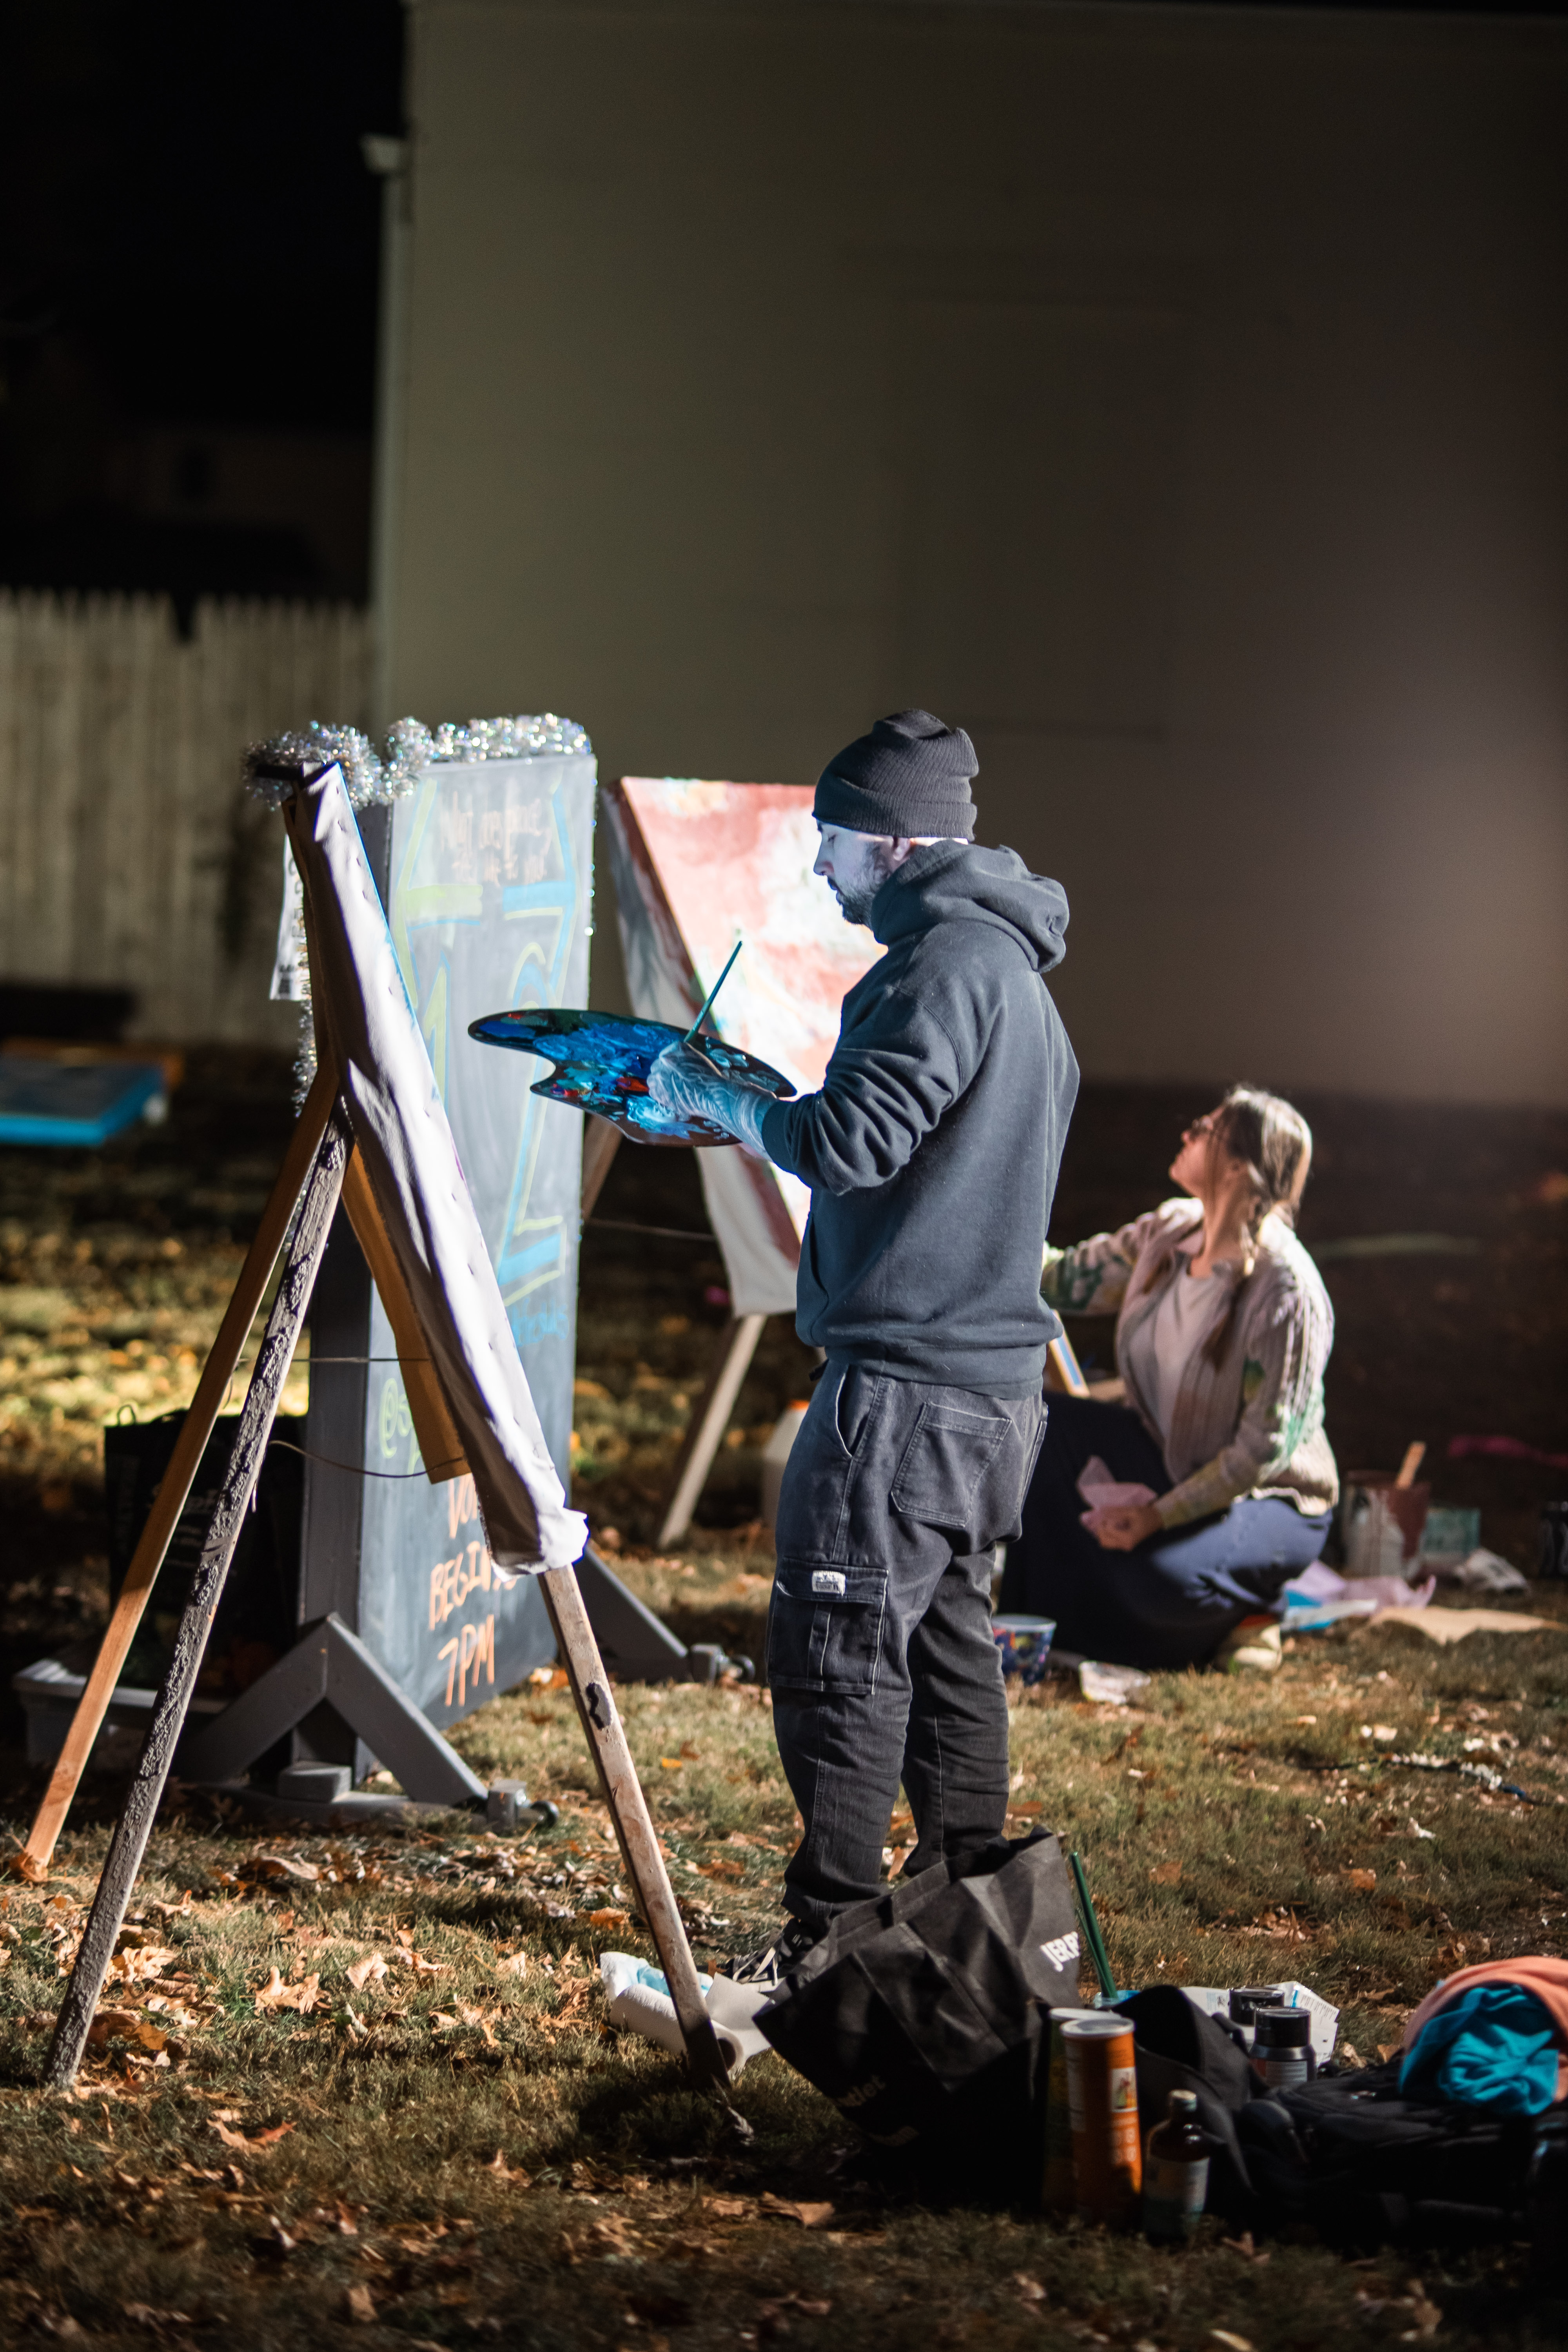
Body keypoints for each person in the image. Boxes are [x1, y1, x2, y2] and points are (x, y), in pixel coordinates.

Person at [647, 709, 1079, 1984]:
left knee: (839, 1656)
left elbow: (850, 1143)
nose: (818, 868)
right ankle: (966, 1929)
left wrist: (727, 1104)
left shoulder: (942, 969)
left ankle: (827, 1941)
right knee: (949, 1660)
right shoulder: (1013, 978)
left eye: (830, 841)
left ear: (891, 841)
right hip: (993, 1399)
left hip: (905, 1395)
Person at [997, 1086, 1337, 1671]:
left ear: (1237, 1165)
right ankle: (1043, 1631)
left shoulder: (1287, 1294)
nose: (1186, 1134)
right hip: (1167, 1453)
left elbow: (1261, 1452)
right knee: (1042, 1425)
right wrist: (974, 1221)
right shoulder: (1168, 1234)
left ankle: (1254, 1608)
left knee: (1156, 1581)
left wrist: (1159, 1516)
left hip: (1271, 1499)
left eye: (1204, 1129)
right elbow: (1062, 1279)